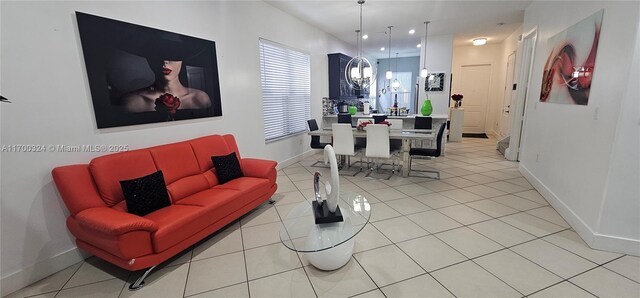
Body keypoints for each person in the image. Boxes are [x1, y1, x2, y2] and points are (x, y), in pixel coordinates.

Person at [121, 33, 211, 112]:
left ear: (182, 59)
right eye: (157, 54)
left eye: (172, 54)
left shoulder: (200, 99)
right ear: (149, 59)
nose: (165, 61)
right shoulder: (134, 102)